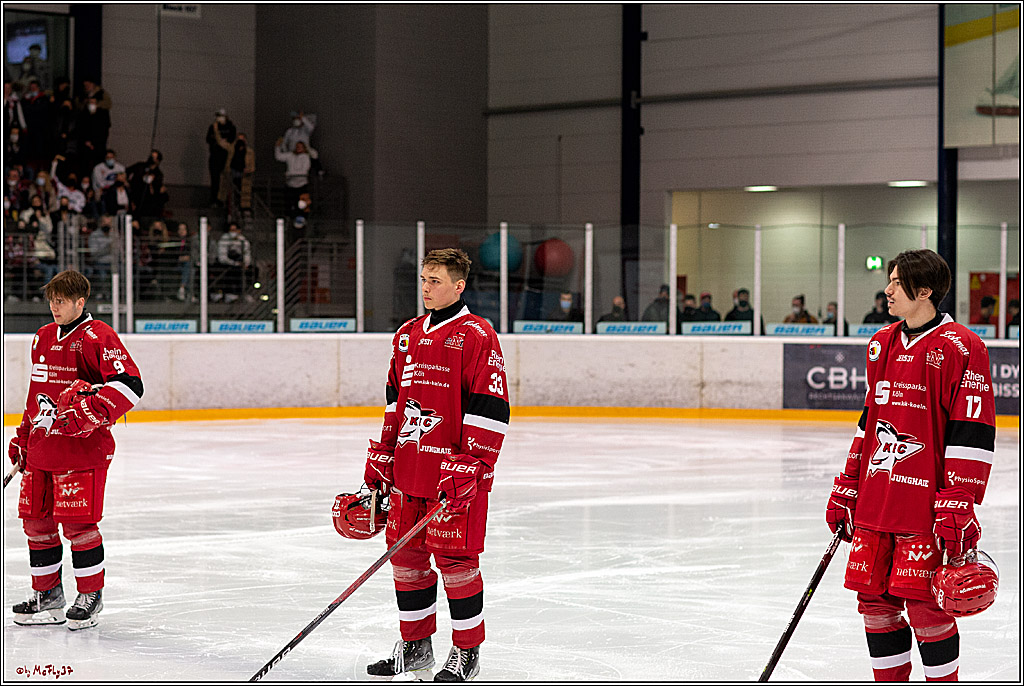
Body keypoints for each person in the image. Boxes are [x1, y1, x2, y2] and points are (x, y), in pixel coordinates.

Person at [825, 249, 995, 682]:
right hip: (877, 498)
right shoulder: (880, 343)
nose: (887, 290)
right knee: (874, 602)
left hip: (926, 504)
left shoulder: (962, 346)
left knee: (924, 605)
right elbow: (871, 419)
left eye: (897, 283)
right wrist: (849, 482)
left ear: (925, 291)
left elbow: (971, 428)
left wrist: (959, 498)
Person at [360, 248, 508, 682]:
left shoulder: (478, 336)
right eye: (423, 279)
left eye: (436, 281)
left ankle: (467, 652)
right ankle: (416, 647)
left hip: (452, 477)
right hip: (409, 471)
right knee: (407, 561)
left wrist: (473, 464)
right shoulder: (406, 334)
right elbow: (394, 402)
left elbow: (491, 407)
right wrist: (381, 460)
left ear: (459, 286)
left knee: (457, 565)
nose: (426, 287)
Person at [8, 269, 143, 631]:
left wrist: (87, 413)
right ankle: (48, 595)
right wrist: (23, 436)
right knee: (36, 523)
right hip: (41, 449)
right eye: (52, 299)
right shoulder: (42, 337)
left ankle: (90, 595)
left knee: (79, 526)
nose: (55, 306)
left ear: (80, 302)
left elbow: (130, 385)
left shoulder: (98, 336)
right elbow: (36, 395)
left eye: (62, 300)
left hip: (82, 451)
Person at [274, 139, 317, 211]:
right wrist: (277, 147)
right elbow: (278, 157)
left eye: (300, 147)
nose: (298, 148)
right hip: (290, 185)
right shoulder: (290, 155)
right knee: (288, 204)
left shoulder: (306, 157)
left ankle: (302, 219)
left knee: (302, 205)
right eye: (297, 146)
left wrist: (289, 173)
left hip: (301, 185)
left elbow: (304, 172)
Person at [205, 108, 236, 206]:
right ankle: (214, 199)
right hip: (215, 156)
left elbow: (231, 140)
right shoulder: (213, 127)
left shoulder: (231, 127)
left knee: (225, 180)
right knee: (215, 179)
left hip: (226, 157)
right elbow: (208, 139)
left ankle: (223, 200)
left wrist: (224, 142)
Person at [215, 221, 252, 303]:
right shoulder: (224, 239)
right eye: (231, 230)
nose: (233, 233)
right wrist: (234, 263)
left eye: (235, 230)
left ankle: (244, 292)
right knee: (232, 270)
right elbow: (222, 257)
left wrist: (245, 263)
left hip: (240, 263)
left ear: (239, 231)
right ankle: (230, 293)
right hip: (227, 263)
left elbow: (247, 254)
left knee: (253, 270)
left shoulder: (244, 241)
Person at [174, 222, 197, 301]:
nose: (181, 231)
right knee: (190, 269)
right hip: (176, 265)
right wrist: (179, 258)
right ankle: (190, 293)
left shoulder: (190, 241)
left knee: (191, 269)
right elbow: (172, 255)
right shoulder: (174, 240)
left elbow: (192, 254)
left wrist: (187, 257)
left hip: (186, 264)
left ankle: (182, 289)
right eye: (180, 229)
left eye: (183, 229)